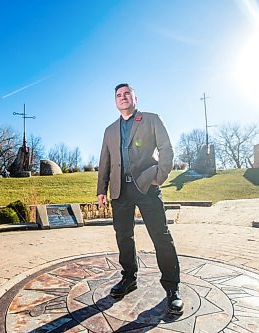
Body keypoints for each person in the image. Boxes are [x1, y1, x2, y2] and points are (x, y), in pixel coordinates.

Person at [97, 83, 183, 315]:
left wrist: (159, 176)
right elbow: (104, 161)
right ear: (115, 101)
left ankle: (172, 288)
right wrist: (101, 190)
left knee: (160, 235)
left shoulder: (151, 119)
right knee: (124, 236)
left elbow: (166, 148)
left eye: (127, 94)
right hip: (119, 191)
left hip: (146, 186)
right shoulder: (109, 130)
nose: (123, 97)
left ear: (135, 98)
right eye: (118, 95)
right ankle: (128, 278)